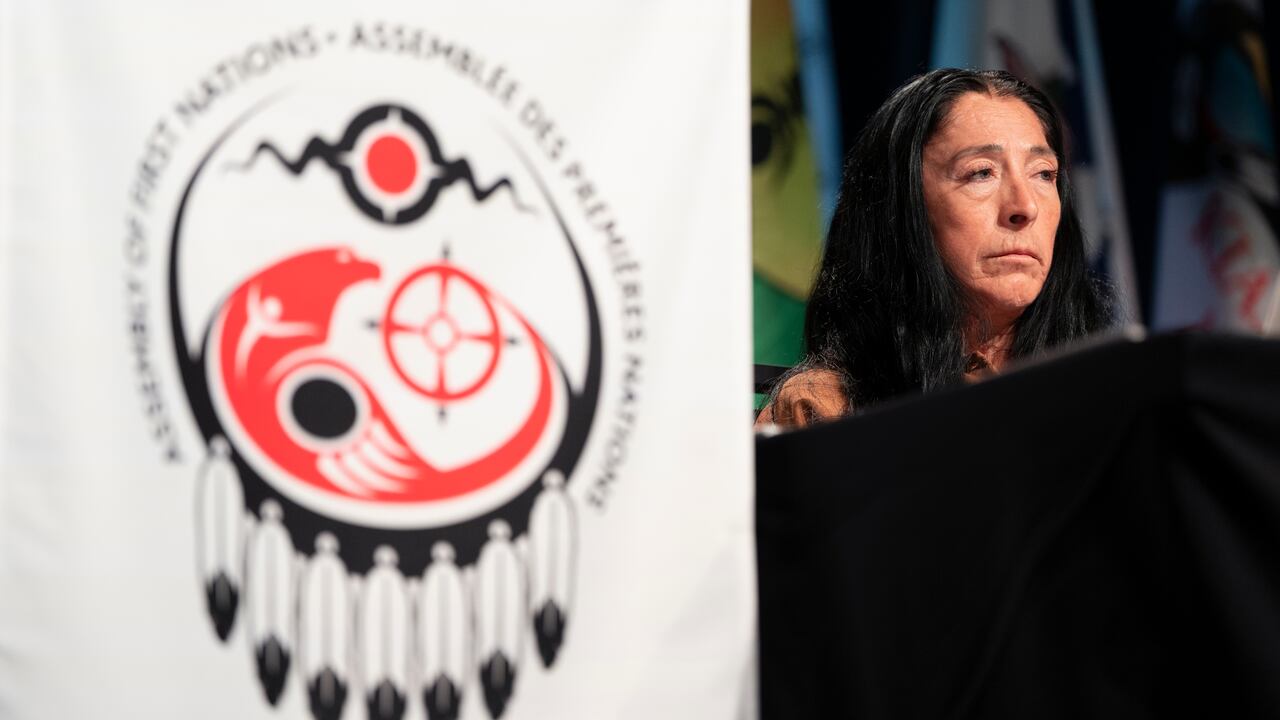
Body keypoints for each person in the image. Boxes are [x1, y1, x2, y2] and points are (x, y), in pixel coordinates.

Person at [757, 68, 1113, 429]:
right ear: (903, 207)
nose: (1025, 207)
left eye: (1043, 174)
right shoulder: (824, 408)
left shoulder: (1115, 393)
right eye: (981, 172)